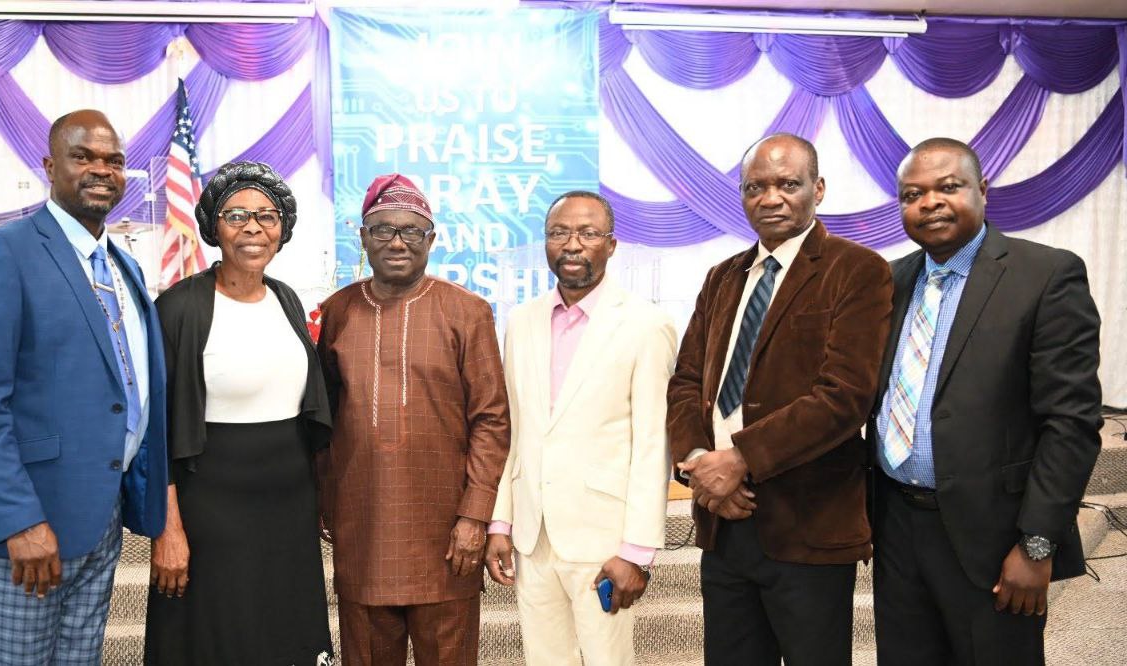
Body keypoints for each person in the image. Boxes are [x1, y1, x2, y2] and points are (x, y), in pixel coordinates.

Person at [0, 109, 168, 664]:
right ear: (49, 166)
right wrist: (19, 520)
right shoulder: (2, 252)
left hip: (100, 518)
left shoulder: (125, 266)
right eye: (83, 156)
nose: (101, 170)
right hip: (28, 523)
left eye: (113, 160)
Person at [870, 138, 1102, 666]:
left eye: (948, 187)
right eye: (912, 194)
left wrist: (1037, 543)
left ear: (983, 190)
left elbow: (1070, 422)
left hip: (994, 534)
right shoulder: (890, 281)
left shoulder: (1044, 275)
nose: (929, 202)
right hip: (897, 527)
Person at [667, 133, 893, 666]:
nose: (771, 198)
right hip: (723, 521)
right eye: (756, 187)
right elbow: (686, 383)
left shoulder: (857, 269)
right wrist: (702, 466)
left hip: (808, 524)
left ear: (818, 189)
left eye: (788, 184)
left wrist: (739, 459)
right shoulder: (722, 278)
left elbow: (845, 396)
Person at [144, 161, 334, 665]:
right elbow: (155, 431)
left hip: (288, 510)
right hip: (211, 512)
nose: (253, 228)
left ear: (282, 230)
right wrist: (168, 529)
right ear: (214, 226)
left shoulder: (287, 299)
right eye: (237, 215)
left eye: (267, 216)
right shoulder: (179, 309)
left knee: (285, 638)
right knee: (217, 642)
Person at [317, 173, 510, 666]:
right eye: (383, 230)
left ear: (432, 239)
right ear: (363, 238)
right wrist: (325, 500)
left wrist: (475, 515)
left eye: (411, 231)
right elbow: (322, 420)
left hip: (446, 535)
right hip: (362, 528)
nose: (397, 242)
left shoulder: (467, 312)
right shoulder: (337, 312)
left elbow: (492, 420)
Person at [485, 191, 677, 665]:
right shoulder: (521, 321)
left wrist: (637, 550)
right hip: (533, 535)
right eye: (559, 233)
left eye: (588, 233)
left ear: (611, 244)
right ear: (545, 242)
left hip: (603, 537)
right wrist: (501, 522)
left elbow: (653, 443)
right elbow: (514, 431)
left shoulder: (646, 325)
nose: (572, 244)